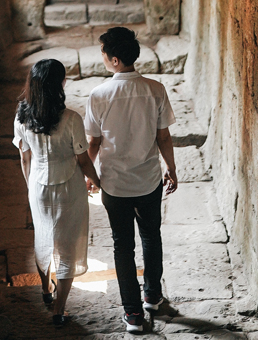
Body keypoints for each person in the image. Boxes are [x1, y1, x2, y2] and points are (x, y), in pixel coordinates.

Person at [84, 27, 178, 334]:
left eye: (102, 54)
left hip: (114, 183)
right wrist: (171, 167)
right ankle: (152, 294)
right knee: (151, 236)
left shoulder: (99, 95)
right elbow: (163, 136)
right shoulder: (155, 89)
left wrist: (91, 175)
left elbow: (94, 143)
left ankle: (133, 314)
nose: (101, 58)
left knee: (122, 246)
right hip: (149, 179)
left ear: (113, 59)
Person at [14, 58, 100, 326]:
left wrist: (31, 188)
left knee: (43, 238)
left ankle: (44, 290)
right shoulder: (71, 119)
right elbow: (83, 160)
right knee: (67, 245)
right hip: (69, 187)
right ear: (61, 84)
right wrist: (96, 180)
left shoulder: (22, 117)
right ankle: (59, 310)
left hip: (38, 185)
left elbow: (25, 159)